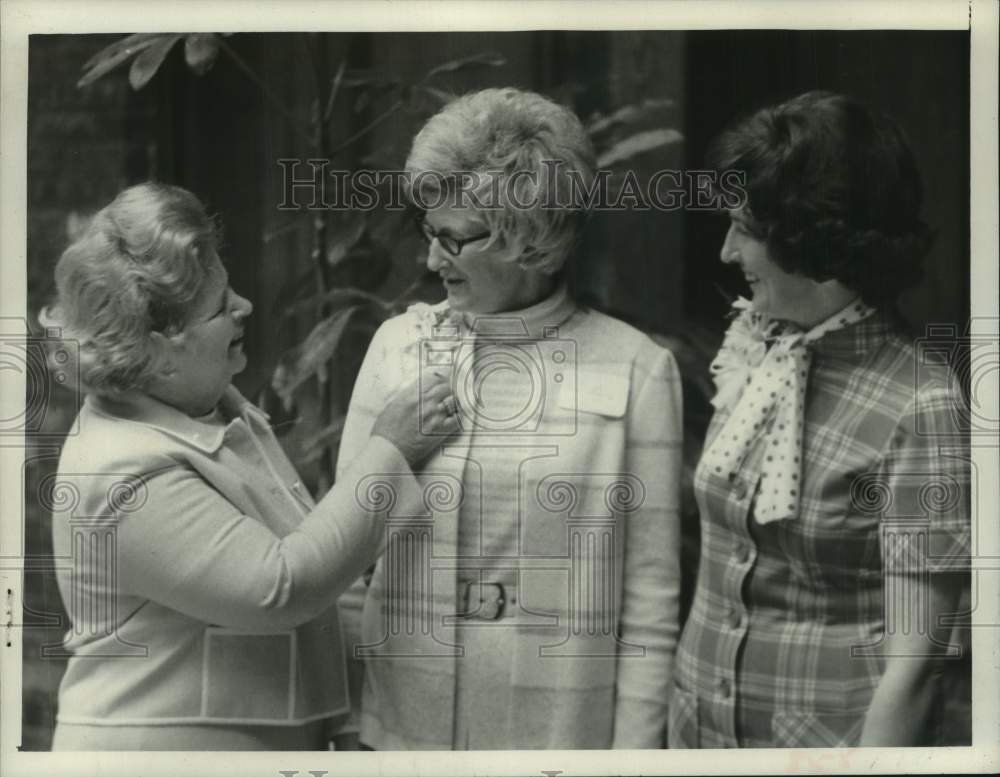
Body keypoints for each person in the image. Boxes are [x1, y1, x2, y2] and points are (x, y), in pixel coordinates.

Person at [42, 182, 458, 750]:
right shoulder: (121, 474)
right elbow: (282, 588)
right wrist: (392, 447)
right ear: (161, 354)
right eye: (220, 306)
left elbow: (329, 583)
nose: (245, 307)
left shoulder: (214, 414)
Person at [334, 87, 684, 749]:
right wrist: (352, 728)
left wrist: (633, 760)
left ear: (529, 237)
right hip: (403, 729)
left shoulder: (637, 370)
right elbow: (350, 559)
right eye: (428, 232)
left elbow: (650, 600)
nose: (430, 260)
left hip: (560, 733)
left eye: (453, 239)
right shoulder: (397, 348)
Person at [668, 91, 970, 748]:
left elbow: (915, 669)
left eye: (743, 230)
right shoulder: (750, 345)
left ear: (810, 237)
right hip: (699, 738)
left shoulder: (921, 402)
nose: (725, 252)